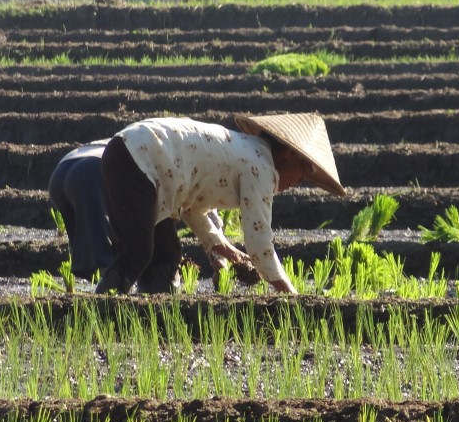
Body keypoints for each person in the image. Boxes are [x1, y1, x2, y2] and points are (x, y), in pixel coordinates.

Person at [95, 112, 345, 295]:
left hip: (132, 153)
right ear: (290, 153)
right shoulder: (262, 166)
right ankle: (94, 314)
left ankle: (151, 325)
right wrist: (291, 294)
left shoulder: (244, 150)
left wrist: (227, 250)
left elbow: (193, 208)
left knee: (165, 255)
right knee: (137, 252)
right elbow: (259, 243)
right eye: (303, 171)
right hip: (139, 158)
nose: (299, 181)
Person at [49, 139, 229, 289]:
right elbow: (211, 221)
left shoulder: (160, 149)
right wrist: (221, 263)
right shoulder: (194, 175)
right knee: (126, 261)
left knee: (108, 255)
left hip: (62, 173)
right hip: (97, 171)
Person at [48, 140, 114, 278]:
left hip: (60, 173)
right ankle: (108, 292)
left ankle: (93, 289)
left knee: (84, 253)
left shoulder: (131, 140)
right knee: (102, 257)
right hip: (91, 171)